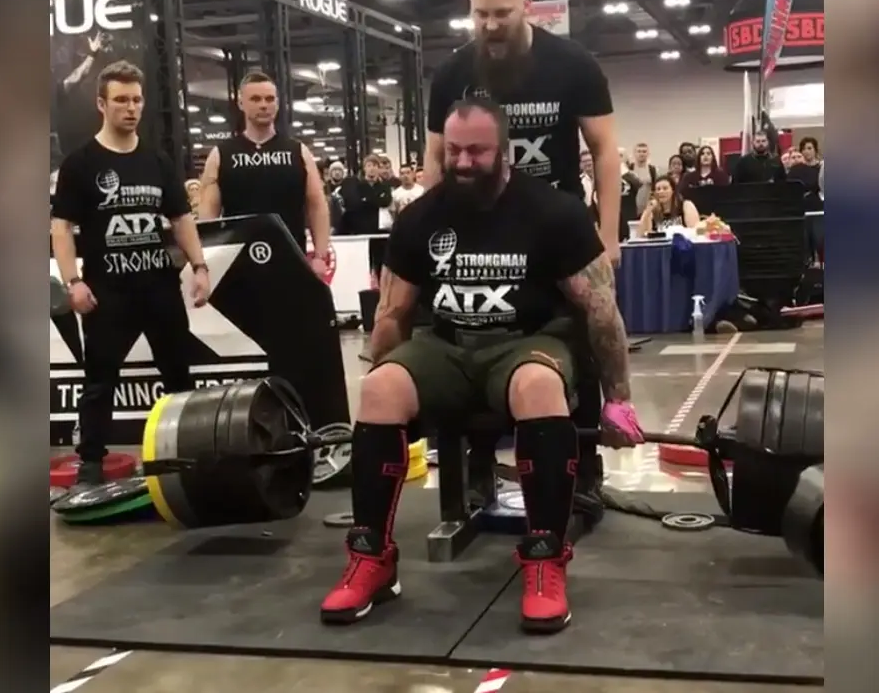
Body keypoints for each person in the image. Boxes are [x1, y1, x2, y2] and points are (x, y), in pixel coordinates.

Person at [320, 98, 645, 634]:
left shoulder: (553, 212)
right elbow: (393, 314)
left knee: (538, 386)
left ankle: (544, 559)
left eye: (477, 151)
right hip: (447, 345)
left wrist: (619, 399)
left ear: (505, 151)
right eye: (454, 151)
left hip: (528, 343)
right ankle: (372, 558)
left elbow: (600, 309)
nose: (464, 162)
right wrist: (387, 403)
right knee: (378, 390)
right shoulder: (421, 217)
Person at [50, 60, 212, 487]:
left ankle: (188, 455)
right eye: (121, 100)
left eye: (137, 100)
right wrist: (72, 281)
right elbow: (61, 227)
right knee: (100, 381)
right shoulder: (80, 164)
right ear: (101, 104)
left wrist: (200, 266)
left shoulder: (157, 161)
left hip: (159, 287)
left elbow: (181, 218)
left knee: (179, 376)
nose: (131, 108)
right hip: (108, 292)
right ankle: (91, 463)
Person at [421, 0, 624, 267]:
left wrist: (609, 237)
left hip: (558, 228)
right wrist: (431, 230)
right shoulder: (452, 73)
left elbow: (604, 150)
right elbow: (435, 157)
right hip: (478, 230)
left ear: (528, 6)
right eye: (481, 13)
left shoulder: (574, 64)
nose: (491, 25)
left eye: (503, 13)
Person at [196, 70, 331, 279]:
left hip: (291, 261)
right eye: (255, 99)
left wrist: (320, 256)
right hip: (239, 264)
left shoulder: (298, 151)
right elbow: (208, 216)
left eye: (269, 99)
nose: (263, 105)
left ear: (277, 103)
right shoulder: (221, 154)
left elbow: (317, 205)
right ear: (241, 103)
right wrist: (204, 264)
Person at [636, 176, 701, 237]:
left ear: (673, 190)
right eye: (658, 189)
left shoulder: (685, 205)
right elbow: (641, 234)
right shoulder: (652, 209)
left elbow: (695, 231)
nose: (661, 191)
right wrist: (647, 211)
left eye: (665, 188)